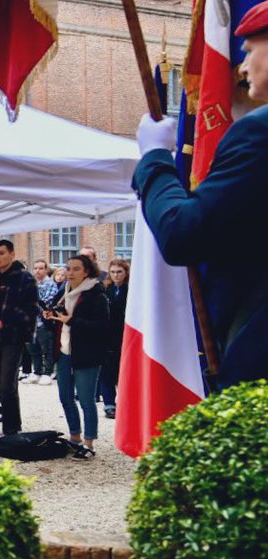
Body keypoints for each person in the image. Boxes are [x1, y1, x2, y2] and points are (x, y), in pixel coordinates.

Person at [132, 2, 268, 388]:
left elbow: (183, 234)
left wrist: (155, 161)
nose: (242, 67)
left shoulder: (259, 133)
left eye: (250, 51)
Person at [46, 254, 109, 460]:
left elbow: (101, 326)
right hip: (64, 351)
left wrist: (72, 320)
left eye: (76, 269)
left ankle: (89, 443)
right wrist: (50, 317)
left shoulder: (96, 294)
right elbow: (59, 320)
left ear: (86, 272)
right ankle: (75, 437)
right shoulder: (64, 291)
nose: (70, 273)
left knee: (86, 400)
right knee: (65, 397)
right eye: (68, 268)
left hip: (87, 354)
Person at [0, 240, 39, 436]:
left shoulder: (25, 278)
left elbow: (30, 310)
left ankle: (11, 429)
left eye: (1, 253)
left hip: (13, 337)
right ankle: (13, 424)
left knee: (7, 384)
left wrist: (4, 321)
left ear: (12, 254)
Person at [99, 258, 130, 419]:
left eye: (119, 272)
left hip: (125, 335)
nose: (116, 275)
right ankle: (109, 404)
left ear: (126, 273)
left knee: (123, 372)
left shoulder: (131, 289)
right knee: (106, 372)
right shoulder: (105, 289)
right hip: (107, 335)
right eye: (113, 272)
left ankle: (125, 404)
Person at [25, 259, 59, 386]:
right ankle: (37, 371)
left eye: (40, 268)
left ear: (46, 269)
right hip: (31, 323)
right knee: (33, 349)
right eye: (35, 268)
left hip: (44, 322)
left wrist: (34, 304)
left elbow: (48, 302)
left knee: (47, 349)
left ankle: (47, 373)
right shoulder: (31, 283)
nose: (37, 271)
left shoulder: (50, 284)